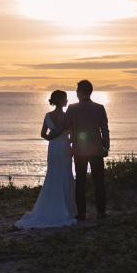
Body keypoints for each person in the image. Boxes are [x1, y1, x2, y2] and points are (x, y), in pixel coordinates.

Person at [14, 90, 78, 229]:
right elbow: (72, 136)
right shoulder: (67, 116)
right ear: (61, 101)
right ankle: (67, 209)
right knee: (66, 175)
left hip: (53, 147)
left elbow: (43, 133)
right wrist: (68, 142)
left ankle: (51, 206)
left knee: (53, 175)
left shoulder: (48, 116)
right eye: (65, 99)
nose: (67, 101)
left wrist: (52, 139)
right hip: (64, 147)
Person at [46, 80, 110, 220]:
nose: (75, 93)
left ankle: (81, 213)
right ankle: (101, 212)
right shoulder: (100, 108)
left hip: (79, 151)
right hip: (97, 150)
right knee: (99, 181)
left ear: (81, 92)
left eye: (76, 90)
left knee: (80, 182)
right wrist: (106, 147)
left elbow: (63, 125)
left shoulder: (73, 108)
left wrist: (51, 135)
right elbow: (104, 129)